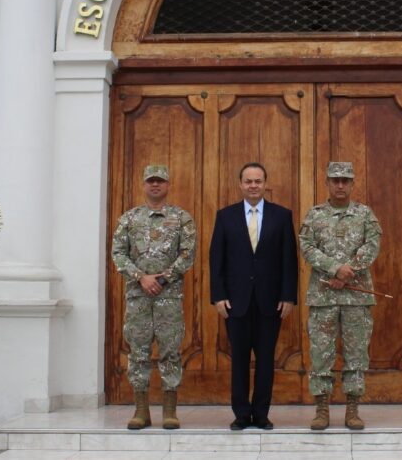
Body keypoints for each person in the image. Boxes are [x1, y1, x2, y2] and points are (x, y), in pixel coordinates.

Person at [209, 162, 298, 430]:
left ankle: (261, 414)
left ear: (265, 183)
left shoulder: (282, 216)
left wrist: (288, 296)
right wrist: (218, 296)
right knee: (238, 360)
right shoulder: (225, 216)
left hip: (270, 302)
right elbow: (217, 259)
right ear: (240, 184)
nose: (253, 185)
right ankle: (240, 414)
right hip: (235, 302)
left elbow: (289, 260)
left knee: (266, 360)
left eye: (258, 181)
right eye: (248, 181)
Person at [110, 165, 196, 430]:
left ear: (168, 185)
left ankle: (170, 411)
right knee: (138, 352)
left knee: (171, 351)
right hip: (138, 297)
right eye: (151, 181)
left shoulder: (182, 218)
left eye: (160, 181)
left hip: (168, 297)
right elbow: (118, 254)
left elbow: (188, 253)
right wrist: (141, 277)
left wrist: (163, 278)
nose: (155, 185)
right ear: (144, 185)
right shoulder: (129, 219)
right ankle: (141, 411)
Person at [299, 161, 382, 431]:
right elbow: (307, 246)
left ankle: (352, 409)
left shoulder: (365, 214)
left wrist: (348, 271)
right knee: (321, 353)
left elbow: (372, 245)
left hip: (356, 299)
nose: (340, 185)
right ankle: (322, 409)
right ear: (327, 182)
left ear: (352, 183)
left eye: (345, 180)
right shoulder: (315, 215)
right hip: (323, 296)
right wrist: (335, 268)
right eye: (335, 180)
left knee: (356, 354)